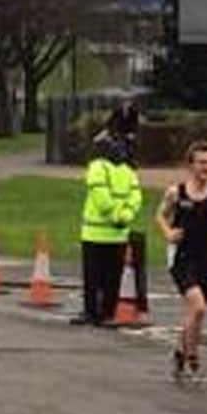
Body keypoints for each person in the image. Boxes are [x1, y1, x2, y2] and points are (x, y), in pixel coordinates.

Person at [157, 140, 207, 381]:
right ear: (190, 164)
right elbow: (160, 215)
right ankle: (192, 355)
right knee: (198, 307)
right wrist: (168, 233)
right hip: (182, 258)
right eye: (202, 162)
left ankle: (180, 351)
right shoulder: (175, 192)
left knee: (196, 312)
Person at [78, 132, 143, 325]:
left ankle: (92, 312)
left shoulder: (97, 167)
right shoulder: (128, 171)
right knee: (112, 276)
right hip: (118, 233)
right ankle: (107, 312)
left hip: (94, 232)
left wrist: (114, 215)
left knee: (93, 277)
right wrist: (125, 216)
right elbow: (136, 197)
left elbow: (101, 198)